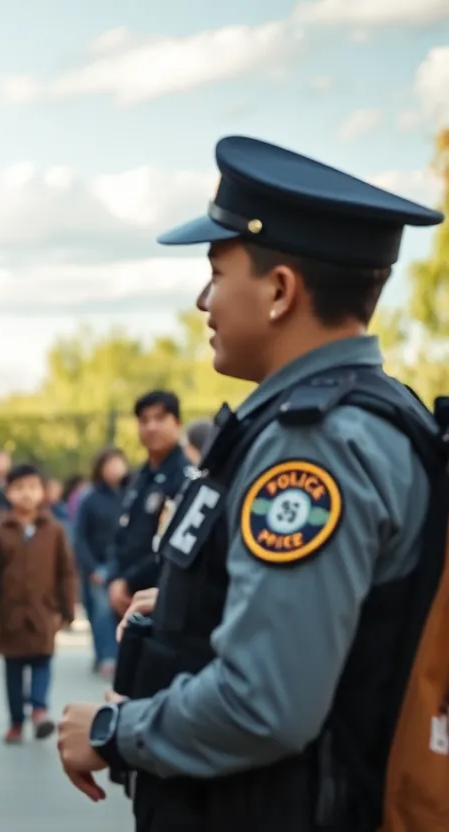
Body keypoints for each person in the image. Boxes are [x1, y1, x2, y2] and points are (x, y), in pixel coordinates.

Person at [57, 135, 446, 832]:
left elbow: (264, 703)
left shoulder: (314, 445)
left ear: (279, 290)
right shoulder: (376, 411)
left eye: (216, 271)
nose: (203, 299)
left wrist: (114, 731)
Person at [0, 464, 77, 744]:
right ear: (8, 493)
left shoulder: (54, 530)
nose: (26, 494)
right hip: (9, 614)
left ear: (42, 492)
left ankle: (39, 709)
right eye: (19, 488)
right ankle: (15, 722)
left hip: (43, 611)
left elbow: (66, 572)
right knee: (13, 671)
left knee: (43, 661)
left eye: (32, 488)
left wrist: (67, 610)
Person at [105, 391, 190, 617]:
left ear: (178, 423)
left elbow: (172, 545)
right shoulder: (138, 478)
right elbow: (120, 534)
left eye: (160, 418)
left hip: (159, 596)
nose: (151, 427)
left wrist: (127, 581)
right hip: (124, 596)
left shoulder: (185, 478)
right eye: (144, 420)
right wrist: (114, 579)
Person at [73, 448, 130, 678]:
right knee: (102, 612)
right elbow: (80, 537)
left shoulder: (131, 494)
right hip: (99, 565)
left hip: (124, 565)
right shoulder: (91, 498)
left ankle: (122, 656)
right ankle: (106, 656)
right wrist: (91, 567)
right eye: (110, 464)